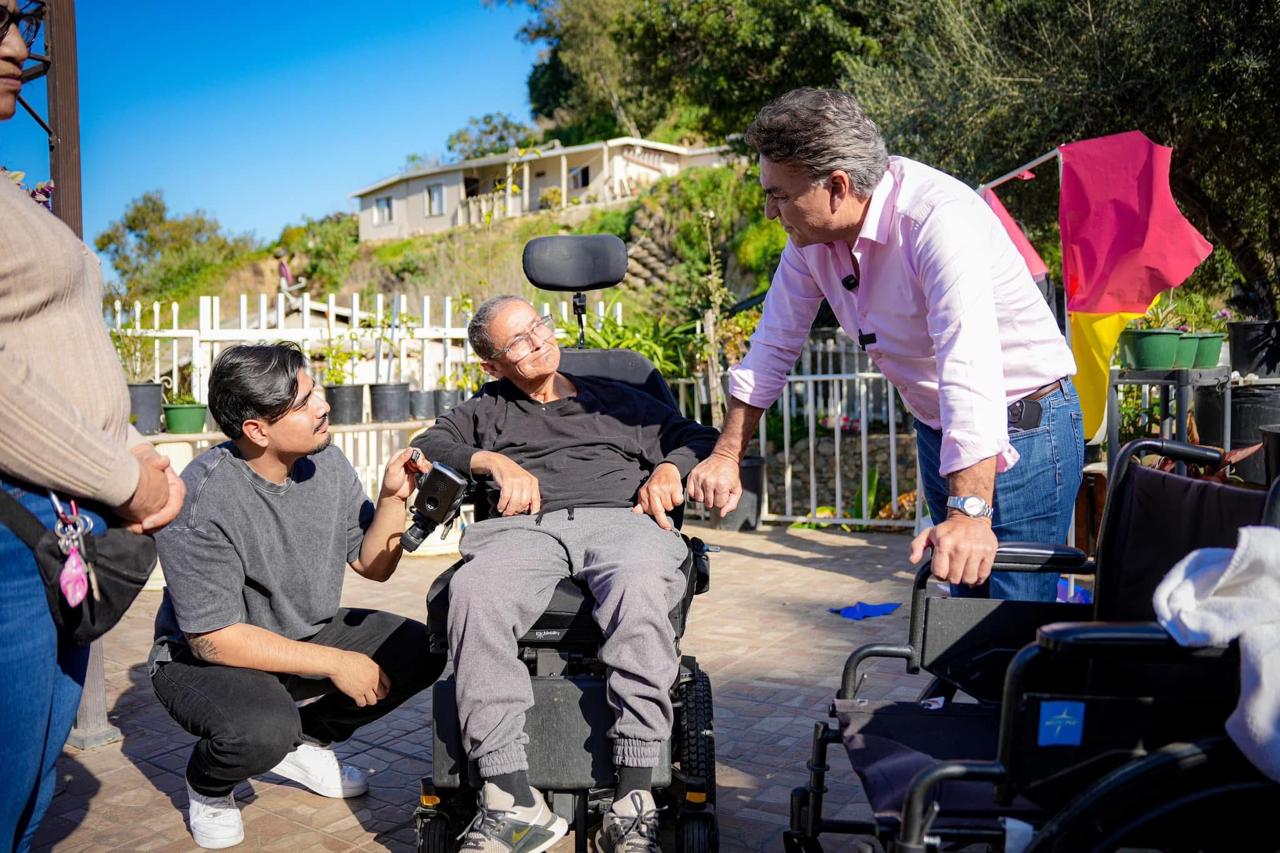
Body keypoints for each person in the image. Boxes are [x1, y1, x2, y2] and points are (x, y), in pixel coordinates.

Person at [688, 88, 1083, 602]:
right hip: (942, 429)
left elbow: (968, 364)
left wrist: (969, 513)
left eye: (779, 195)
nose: (769, 211)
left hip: (1026, 422)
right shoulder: (810, 242)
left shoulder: (936, 219)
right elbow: (772, 345)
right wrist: (725, 454)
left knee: (1012, 610)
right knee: (965, 609)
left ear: (837, 186)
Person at [413, 296, 719, 853]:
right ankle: (511, 798)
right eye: (519, 341)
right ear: (492, 365)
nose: (539, 342)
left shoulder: (617, 398)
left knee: (639, 585)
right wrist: (491, 461)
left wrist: (670, 468)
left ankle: (634, 795)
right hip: (524, 530)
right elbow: (428, 445)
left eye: (540, 326)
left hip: (620, 521)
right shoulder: (486, 410)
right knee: (474, 590)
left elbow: (697, 437)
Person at [0, 4, 186, 850]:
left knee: (26, 788)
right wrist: (122, 479)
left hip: (50, 512)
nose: (18, 44)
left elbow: (44, 346)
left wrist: (128, 450)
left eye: (22, 23)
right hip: (15, 522)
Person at [149, 344, 444, 849]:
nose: (323, 406)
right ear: (257, 430)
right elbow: (213, 640)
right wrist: (337, 662)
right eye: (303, 403)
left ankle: (304, 741)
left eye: (315, 392)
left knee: (422, 648)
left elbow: (374, 566)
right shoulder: (201, 498)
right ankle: (210, 786)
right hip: (203, 657)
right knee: (262, 729)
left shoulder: (326, 461)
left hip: (301, 630)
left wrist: (394, 497)